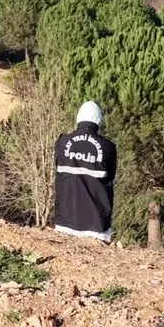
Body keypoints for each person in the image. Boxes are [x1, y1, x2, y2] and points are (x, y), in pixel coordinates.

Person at [54, 101, 117, 243]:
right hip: (97, 227)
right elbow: (111, 176)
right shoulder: (108, 147)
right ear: (99, 120)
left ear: (78, 118)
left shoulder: (62, 143)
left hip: (65, 222)